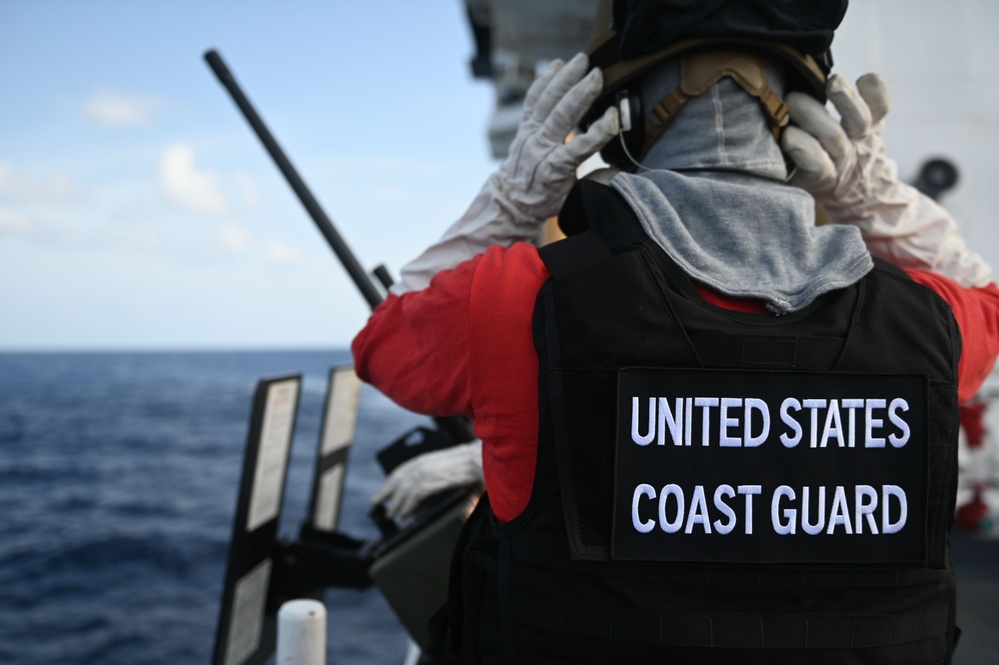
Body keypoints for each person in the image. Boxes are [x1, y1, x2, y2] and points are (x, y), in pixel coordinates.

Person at [353, 1, 999, 662]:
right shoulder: (926, 322)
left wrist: (514, 198)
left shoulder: (519, 298)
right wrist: (871, 196)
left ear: (621, 122)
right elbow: (991, 305)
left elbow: (382, 345)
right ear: (805, 123)